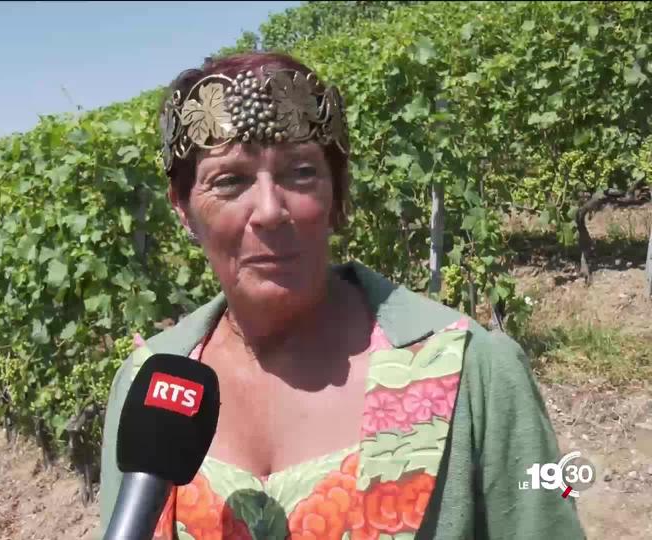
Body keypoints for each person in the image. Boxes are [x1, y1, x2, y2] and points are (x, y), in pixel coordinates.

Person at [98, 52, 586, 540]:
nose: (270, 210)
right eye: (230, 180)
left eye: (301, 173)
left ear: (336, 195)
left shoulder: (475, 372)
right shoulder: (148, 385)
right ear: (183, 210)